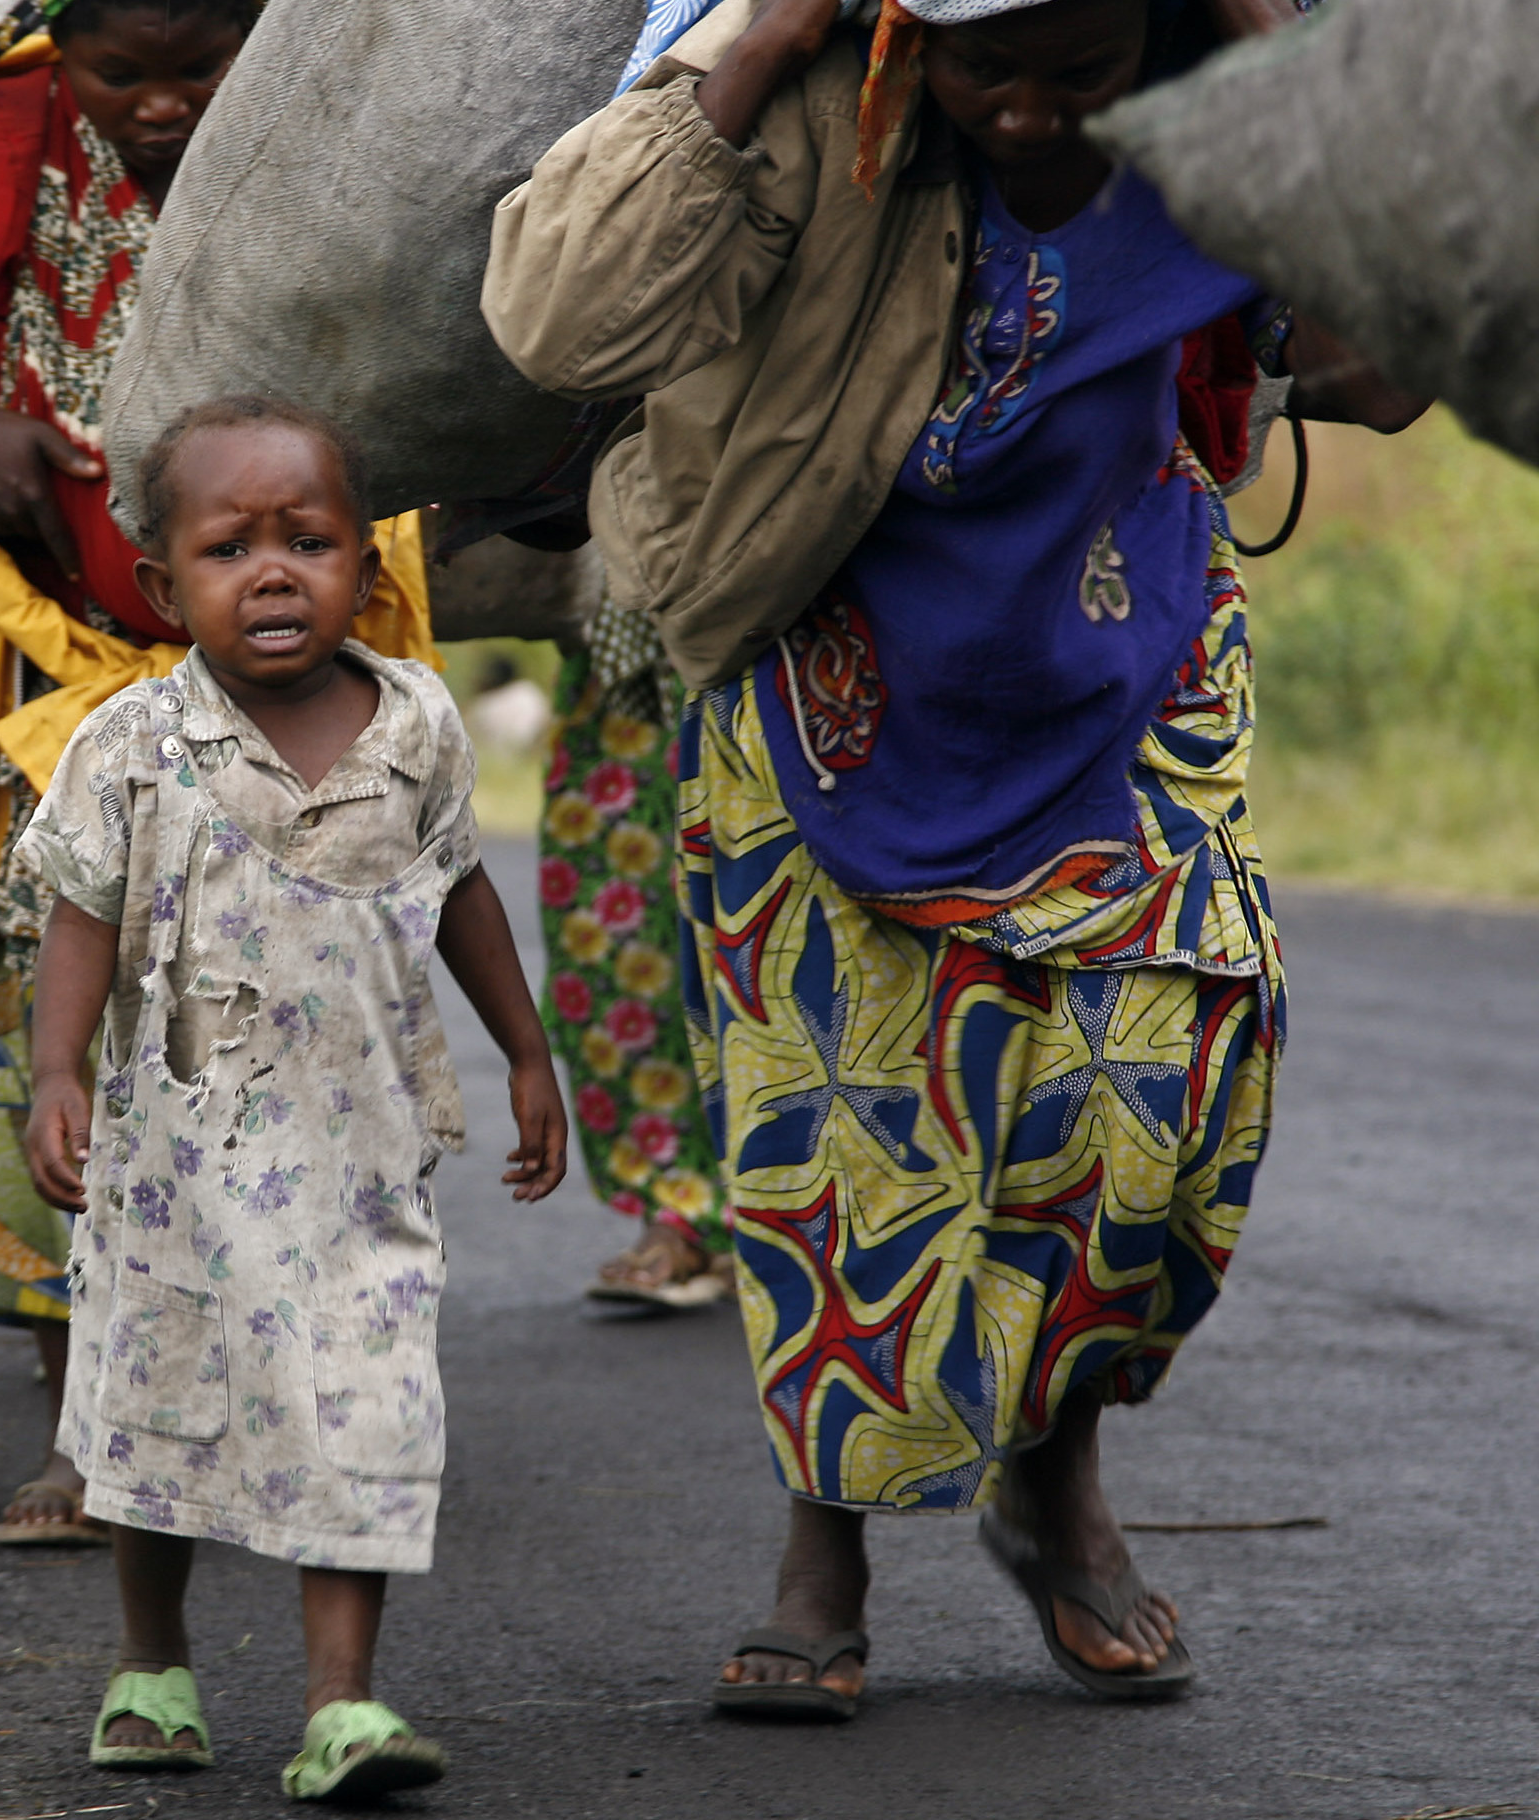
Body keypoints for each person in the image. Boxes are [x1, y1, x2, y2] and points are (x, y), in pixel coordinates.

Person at [483, 0, 1426, 1716]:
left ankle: (1050, 1472)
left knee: (1151, 1118)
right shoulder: (816, 108)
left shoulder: (1226, 121)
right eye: (988, 62)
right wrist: (760, 36)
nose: (1025, 109)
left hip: (1122, 668)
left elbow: (1397, 363)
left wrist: (1298, 77)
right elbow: (558, 318)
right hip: (823, 663)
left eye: (1081, 67)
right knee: (846, 1139)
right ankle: (824, 1551)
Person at [0, 0, 440, 1546]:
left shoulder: (328, 143)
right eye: (126, 74)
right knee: (73, 1022)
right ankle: (85, 1427)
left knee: (300, 1018)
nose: (169, 106)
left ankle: (301, 1388)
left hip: (303, 674)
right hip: (52, 674)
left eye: (205, 68)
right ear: (65, 52)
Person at [19, 397, 568, 1799]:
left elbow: (462, 898)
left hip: (362, 1172)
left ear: (366, 571)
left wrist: (523, 1050)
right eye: (229, 549)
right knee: (159, 1411)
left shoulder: (421, 726)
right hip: (172, 1176)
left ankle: (343, 1706)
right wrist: (55, 1074)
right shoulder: (131, 742)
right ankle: (153, 1663)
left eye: (310, 541)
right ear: (163, 585)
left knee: (373, 1406)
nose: (273, 573)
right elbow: (81, 912)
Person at [541, 597, 738, 1310]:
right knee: (613, 950)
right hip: (626, 670)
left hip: (784, 620)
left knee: (796, 946)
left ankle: (809, 1219)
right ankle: (679, 1211)